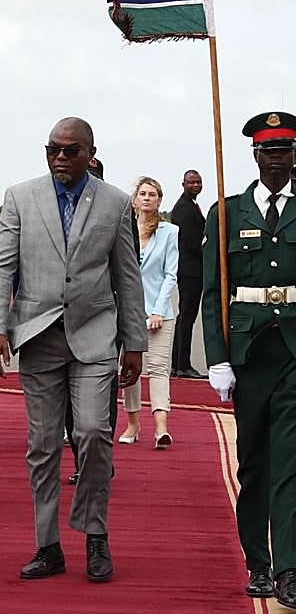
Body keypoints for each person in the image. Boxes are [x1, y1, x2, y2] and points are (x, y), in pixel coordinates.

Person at [0, 117, 145, 584]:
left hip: (94, 335)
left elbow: (127, 277)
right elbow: (2, 269)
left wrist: (134, 342)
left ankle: (95, 533)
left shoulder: (115, 203)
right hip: (38, 335)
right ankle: (47, 545)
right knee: (42, 445)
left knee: (93, 432)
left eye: (70, 151)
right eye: (52, 149)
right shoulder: (20, 198)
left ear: (90, 154)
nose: (59, 157)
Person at [203, 111, 296, 607]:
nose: (276, 159)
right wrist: (217, 357)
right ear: (255, 157)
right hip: (249, 352)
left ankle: (289, 569)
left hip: (293, 350)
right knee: (254, 461)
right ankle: (258, 563)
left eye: (284, 151)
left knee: (290, 460)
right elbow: (212, 293)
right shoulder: (227, 213)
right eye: (268, 151)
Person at [118, 176, 179, 449]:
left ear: (159, 200)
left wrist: (157, 311)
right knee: (130, 368)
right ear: (135, 199)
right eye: (142, 193)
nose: (146, 198)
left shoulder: (170, 232)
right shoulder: (123, 228)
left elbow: (170, 274)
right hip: (128, 312)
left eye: (152, 194)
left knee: (158, 368)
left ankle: (161, 427)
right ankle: (133, 423)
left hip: (160, 312)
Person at [171, 169, 205, 378]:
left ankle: (179, 364)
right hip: (190, 270)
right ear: (183, 184)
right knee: (186, 317)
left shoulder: (191, 205)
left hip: (191, 269)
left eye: (198, 182)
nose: (195, 185)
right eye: (191, 182)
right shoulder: (184, 208)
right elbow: (192, 243)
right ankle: (182, 365)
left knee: (186, 317)